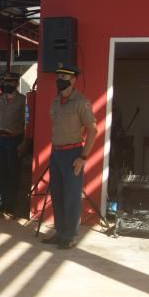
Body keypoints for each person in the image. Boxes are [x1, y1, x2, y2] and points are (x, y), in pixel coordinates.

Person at [41, 64, 97, 249]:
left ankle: (71, 235)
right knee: (57, 195)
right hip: (56, 153)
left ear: (73, 80)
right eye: (58, 77)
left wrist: (84, 157)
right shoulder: (56, 102)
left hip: (73, 154)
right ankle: (60, 232)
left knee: (72, 196)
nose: (60, 81)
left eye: (64, 78)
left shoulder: (81, 102)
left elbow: (93, 130)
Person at [0, 72, 27, 216]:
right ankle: (0, 202)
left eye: (10, 83)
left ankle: (11, 205)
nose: (6, 85)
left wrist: (24, 142)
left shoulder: (23, 101)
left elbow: (26, 124)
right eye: (4, 82)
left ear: (16, 84)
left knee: (13, 174)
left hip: (14, 141)